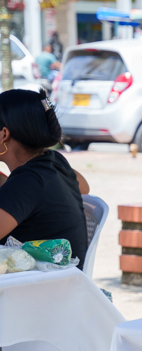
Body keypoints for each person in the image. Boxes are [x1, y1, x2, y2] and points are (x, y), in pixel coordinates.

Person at [0, 90, 90, 264]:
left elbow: (23, 192)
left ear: (4, 134)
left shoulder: (27, 182)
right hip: (61, 282)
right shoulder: (53, 162)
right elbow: (84, 187)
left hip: (38, 287)